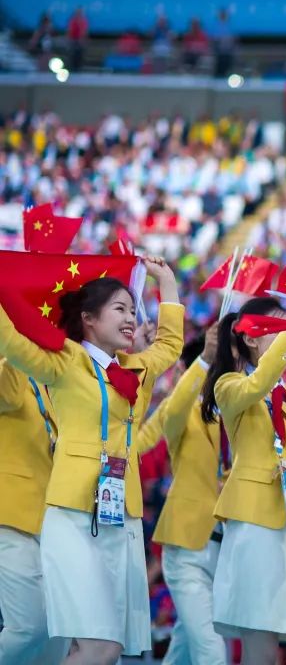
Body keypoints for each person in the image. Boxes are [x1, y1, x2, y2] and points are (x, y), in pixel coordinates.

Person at [0, 258, 182, 665]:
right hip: (73, 515)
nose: (131, 318)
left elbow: (170, 344)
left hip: (120, 516)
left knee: (108, 649)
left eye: (132, 310)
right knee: (101, 646)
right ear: (88, 319)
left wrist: (167, 282)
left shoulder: (136, 368)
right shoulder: (64, 361)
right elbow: (11, 341)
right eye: (120, 308)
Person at [202, 297, 286, 665]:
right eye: (279, 326)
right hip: (254, 523)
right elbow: (257, 384)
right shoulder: (229, 385)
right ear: (250, 338)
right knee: (260, 652)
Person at [146, 323, 227, 665]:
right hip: (187, 546)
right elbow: (175, 406)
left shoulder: (235, 413)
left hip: (224, 546)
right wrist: (204, 360)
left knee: (185, 645)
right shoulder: (180, 411)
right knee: (212, 650)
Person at [0, 358, 70, 665]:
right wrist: (17, 343)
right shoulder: (11, 369)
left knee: (59, 631)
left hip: (51, 521)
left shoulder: (42, 380)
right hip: (10, 517)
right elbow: (8, 394)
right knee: (29, 627)